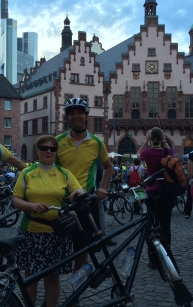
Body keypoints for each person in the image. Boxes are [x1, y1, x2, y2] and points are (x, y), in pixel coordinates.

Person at [13, 135, 84, 307]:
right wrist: (32, 206)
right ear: (37, 150)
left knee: (52, 278)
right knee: (31, 277)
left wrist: (78, 195)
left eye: (53, 149)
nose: (49, 151)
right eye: (44, 148)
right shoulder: (27, 173)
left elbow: (78, 190)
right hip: (31, 232)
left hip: (56, 234)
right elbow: (15, 200)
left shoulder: (64, 173)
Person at [55, 98, 114, 273]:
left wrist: (102, 188)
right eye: (71, 113)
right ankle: (53, 291)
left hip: (85, 202)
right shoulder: (57, 142)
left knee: (82, 250)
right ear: (67, 117)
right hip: (62, 202)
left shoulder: (96, 142)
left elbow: (108, 167)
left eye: (80, 112)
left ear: (86, 116)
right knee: (56, 249)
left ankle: (76, 291)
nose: (76, 116)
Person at [137, 127, 173, 268]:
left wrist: (146, 140)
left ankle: (153, 258)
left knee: (152, 225)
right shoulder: (167, 152)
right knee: (166, 226)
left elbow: (138, 154)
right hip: (166, 191)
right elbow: (173, 154)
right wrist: (165, 141)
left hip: (151, 191)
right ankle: (167, 256)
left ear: (151, 139)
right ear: (162, 138)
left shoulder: (147, 152)